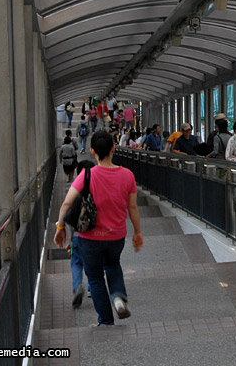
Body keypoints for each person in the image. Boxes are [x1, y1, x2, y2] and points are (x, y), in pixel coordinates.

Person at [54, 131, 144, 326]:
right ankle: (118, 297)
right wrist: (137, 232)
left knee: (95, 278)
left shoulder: (86, 175)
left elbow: (67, 204)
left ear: (93, 151)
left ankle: (105, 320)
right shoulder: (127, 175)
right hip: (117, 236)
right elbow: (133, 208)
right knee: (113, 265)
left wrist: (60, 227)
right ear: (113, 148)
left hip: (90, 238)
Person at [68, 159, 96, 308]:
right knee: (93, 263)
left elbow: (70, 217)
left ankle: (77, 286)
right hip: (95, 236)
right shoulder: (98, 191)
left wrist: (69, 237)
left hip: (78, 236)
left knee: (76, 263)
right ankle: (93, 288)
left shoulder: (74, 193)